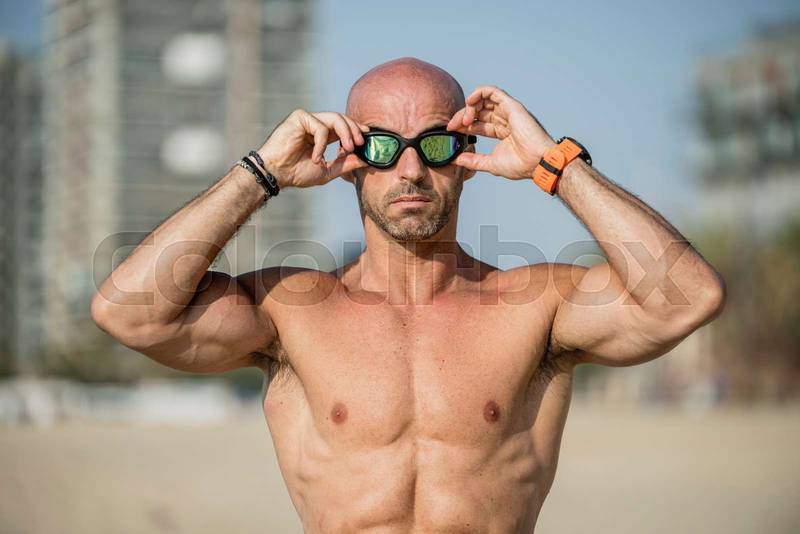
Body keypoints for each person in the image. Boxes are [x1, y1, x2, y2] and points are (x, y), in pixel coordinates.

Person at [91, 57, 726, 533]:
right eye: (383, 146)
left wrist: (553, 162)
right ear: (349, 156)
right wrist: (262, 174)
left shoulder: (538, 305)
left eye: (437, 143)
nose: (411, 169)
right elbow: (126, 311)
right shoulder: (290, 310)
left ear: (468, 154)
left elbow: (688, 297)